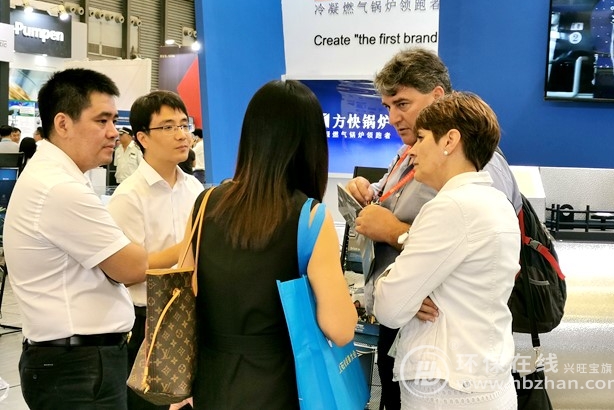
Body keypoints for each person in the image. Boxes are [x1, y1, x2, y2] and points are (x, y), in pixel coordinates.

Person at [346, 48, 521, 410]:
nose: (393, 117)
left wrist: (396, 236)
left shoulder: (469, 185)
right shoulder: (412, 157)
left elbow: (472, 245)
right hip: (448, 355)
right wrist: (370, 194)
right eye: (387, 107)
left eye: (402, 104)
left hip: (447, 368)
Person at [182, 80, 357, 408]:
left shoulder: (205, 204)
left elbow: (190, 291)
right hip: (279, 387)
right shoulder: (309, 217)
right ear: (311, 144)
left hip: (212, 383)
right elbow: (340, 329)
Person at [3, 68, 148, 409]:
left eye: (114, 121)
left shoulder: (58, 177)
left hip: (75, 361)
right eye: (102, 121)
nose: (113, 132)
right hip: (78, 368)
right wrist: (192, 243)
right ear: (63, 123)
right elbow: (131, 267)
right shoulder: (59, 187)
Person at [107, 90, 204, 410]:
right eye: (168, 127)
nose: (182, 135)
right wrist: (190, 245)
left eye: (184, 125)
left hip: (191, 315)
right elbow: (129, 271)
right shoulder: (129, 196)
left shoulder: (194, 187)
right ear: (143, 138)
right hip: (148, 321)